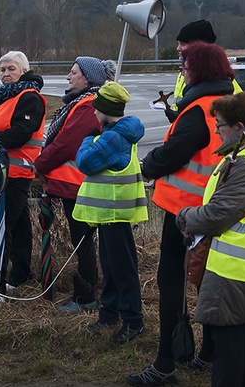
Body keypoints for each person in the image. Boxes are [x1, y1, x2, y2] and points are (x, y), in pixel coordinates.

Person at [128, 43, 235, 386]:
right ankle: (206, 353)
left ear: (199, 69)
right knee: (207, 281)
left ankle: (166, 363)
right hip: (215, 209)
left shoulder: (197, 110)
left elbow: (173, 153)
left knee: (171, 282)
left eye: (186, 65)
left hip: (184, 211)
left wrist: (147, 165)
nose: (182, 71)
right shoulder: (225, 104)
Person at [176, 92, 245, 386]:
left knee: (227, 347)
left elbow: (218, 214)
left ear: (239, 126)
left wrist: (185, 217)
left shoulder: (243, 163)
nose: (216, 131)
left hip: (232, 267)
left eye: (220, 125)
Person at [34, 56, 117, 313]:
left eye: (73, 72)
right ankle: (90, 294)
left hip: (77, 185)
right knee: (83, 240)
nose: (68, 77)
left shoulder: (87, 105)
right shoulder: (82, 103)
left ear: (88, 79)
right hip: (74, 185)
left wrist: (39, 164)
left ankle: (86, 297)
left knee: (82, 242)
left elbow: (65, 145)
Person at [73, 82, 147, 344]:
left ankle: (133, 321)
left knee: (121, 268)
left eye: (97, 109)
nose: (94, 113)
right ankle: (110, 313)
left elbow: (85, 162)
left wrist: (87, 139)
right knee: (112, 266)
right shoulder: (119, 133)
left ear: (106, 110)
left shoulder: (113, 138)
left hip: (114, 212)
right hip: (111, 214)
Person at [0, 51, 46, 301]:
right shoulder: (7, 98)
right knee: (19, 227)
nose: (6, 74)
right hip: (6, 172)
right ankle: (19, 276)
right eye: (2, 70)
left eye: (11, 69)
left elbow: (21, 133)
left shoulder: (29, 97)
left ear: (23, 70)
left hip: (14, 173)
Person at [168, 20, 241, 121]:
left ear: (199, 48)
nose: (178, 48)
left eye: (183, 44)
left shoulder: (219, 79)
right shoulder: (185, 72)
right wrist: (178, 115)